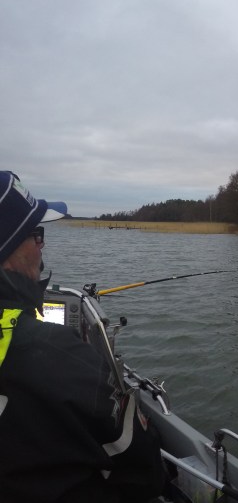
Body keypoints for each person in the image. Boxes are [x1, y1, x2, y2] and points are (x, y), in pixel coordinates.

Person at [0, 171, 166, 502]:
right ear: (8, 251)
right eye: (36, 235)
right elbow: (145, 472)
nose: (42, 245)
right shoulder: (60, 354)